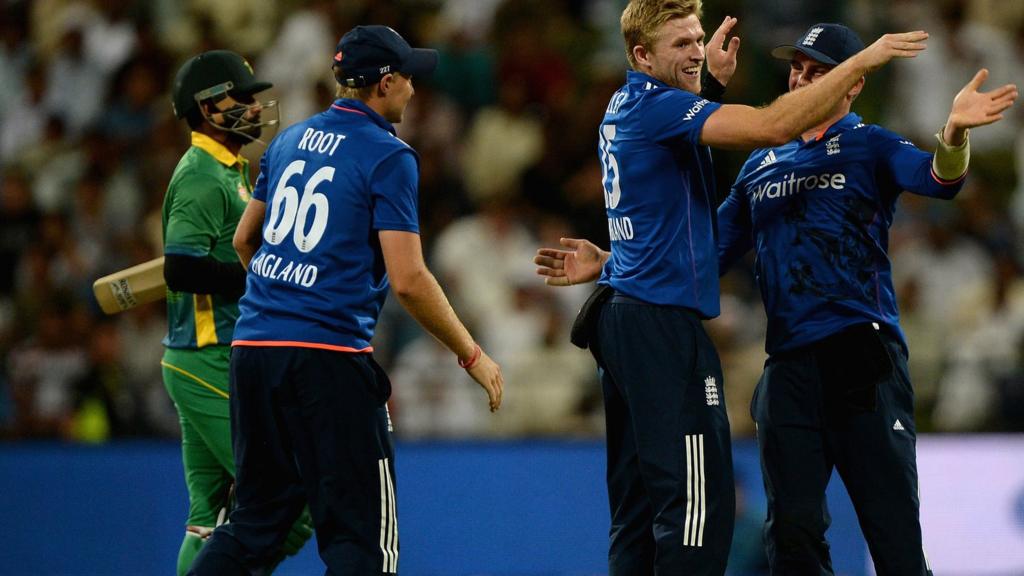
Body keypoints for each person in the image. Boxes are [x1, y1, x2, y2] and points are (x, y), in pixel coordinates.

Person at [536, 21, 1017, 576]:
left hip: (863, 358)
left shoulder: (869, 143)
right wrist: (614, 262)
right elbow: (704, 251)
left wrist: (954, 133)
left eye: (818, 73)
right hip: (788, 366)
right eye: (798, 69)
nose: (800, 80)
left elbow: (939, 179)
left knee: (895, 542)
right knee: (790, 538)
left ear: (851, 85)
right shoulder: (759, 166)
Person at [187, 25, 503, 576]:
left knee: (253, 525)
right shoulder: (389, 155)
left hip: (255, 351)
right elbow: (409, 279)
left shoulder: (287, 141)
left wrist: (283, 294)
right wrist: (471, 354)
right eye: (406, 77)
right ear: (383, 84)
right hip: (328, 359)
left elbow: (244, 240)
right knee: (362, 543)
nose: (412, 88)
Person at [161, 50, 313, 575]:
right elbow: (180, 270)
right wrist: (260, 274)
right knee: (294, 495)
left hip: (201, 356)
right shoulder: (202, 175)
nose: (252, 107)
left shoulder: (229, 170)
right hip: (207, 355)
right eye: (240, 98)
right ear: (206, 107)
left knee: (209, 517)